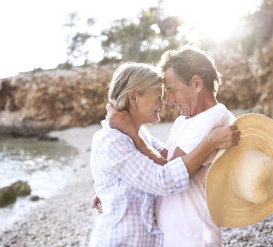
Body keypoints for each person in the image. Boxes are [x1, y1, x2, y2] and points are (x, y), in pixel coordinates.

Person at [89, 62, 240, 246]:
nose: (163, 104)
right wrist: (210, 142)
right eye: (158, 97)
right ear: (134, 97)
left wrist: (114, 189)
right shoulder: (111, 140)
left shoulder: (140, 134)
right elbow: (163, 179)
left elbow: (165, 161)